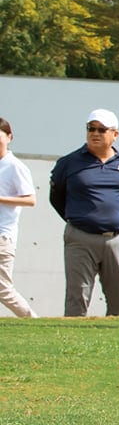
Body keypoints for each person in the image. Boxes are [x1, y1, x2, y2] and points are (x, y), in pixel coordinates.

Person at [49, 108, 119, 317]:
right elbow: (56, 197)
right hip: (80, 238)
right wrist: (81, 219)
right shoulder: (68, 163)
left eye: (101, 129)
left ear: (115, 134)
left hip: (116, 239)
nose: (95, 133)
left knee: (118, 301)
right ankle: (71, 344)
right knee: (76, 298)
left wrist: (111, 219)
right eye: (91, 128)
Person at [0, 117, 39, 319]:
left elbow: (31, 199)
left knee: (2, 289)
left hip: (2, 236)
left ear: (9, 137)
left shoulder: (15, 166)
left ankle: (32, 319)